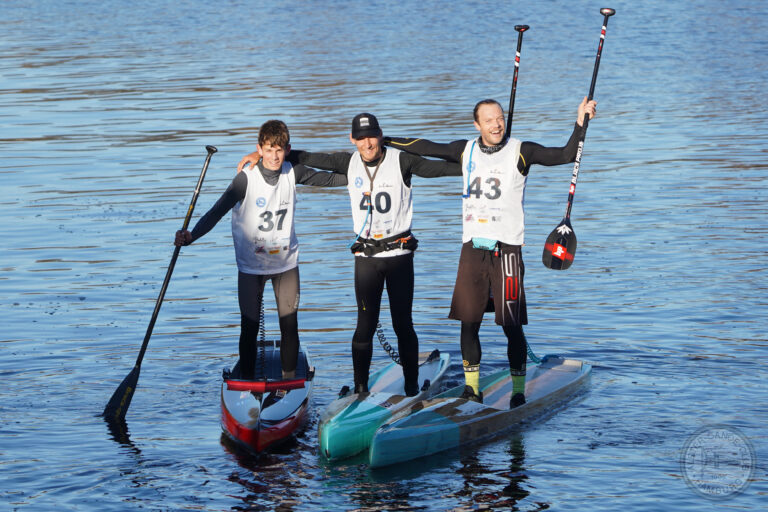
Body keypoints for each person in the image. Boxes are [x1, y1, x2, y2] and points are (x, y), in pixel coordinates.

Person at [383, 97, 597, 408]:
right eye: (489, 120)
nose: (497, 124)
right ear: (477, 125)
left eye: (500, 118)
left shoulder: (522, 151)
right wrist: (385, 140)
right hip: (473, 250)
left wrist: (581, 121)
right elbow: (426, 146)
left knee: (512, 327)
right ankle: (472, 390)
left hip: (507, 251)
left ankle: (519, 390)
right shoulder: (465, 149)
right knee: (468, 323)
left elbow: (565, 155)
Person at [238, 113, 461, 396]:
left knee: (402, 324)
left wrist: (477, 166)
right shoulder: (348, 162)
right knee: (363, 327)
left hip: (399, 256)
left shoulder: (402, 160)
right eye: (361, 138)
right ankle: (360, 391)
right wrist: (258, 156)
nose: (367, 143)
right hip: (366, 259)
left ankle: (411, 388)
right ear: (352, 140)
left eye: (372, 136)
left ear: (380, 135)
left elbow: (439, 170)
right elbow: (304, 156)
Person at [176, 120, 346, 381]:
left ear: (287, 150)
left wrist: (364, 177)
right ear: (259, 149)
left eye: (279, 150)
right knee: (249, 328)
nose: (274, 156)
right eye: (268, 150)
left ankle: (289, 381)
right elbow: (215, 213)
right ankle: (245, 382)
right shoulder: (245, 179)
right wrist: (191, 236)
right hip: (250, 267)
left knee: (289, 325)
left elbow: (331, 179)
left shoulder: (294, 172)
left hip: (285, 266)